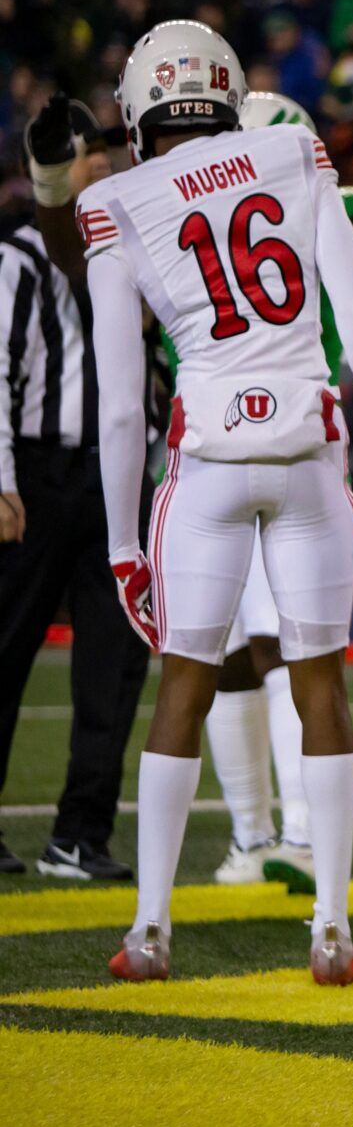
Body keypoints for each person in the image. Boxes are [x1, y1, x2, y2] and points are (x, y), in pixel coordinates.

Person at [29, 52, 353, 888]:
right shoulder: (281, 179)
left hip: (217, 448)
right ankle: (255, 836)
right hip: (289, 444)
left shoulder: (158, 198)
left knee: (253, 653)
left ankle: (295, 835)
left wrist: (56, 186)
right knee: (242, 653)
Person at [81, 19, 353, 984]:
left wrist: (121, 543)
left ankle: (150, 929)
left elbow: (121, 408)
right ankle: (332, 932)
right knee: (319, 682)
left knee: (186, 681)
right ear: (228, 96)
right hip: (311, 448)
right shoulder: (290, 150)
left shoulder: (113, 202)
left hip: (209, 458)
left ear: (139, 108)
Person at [0, 105, 148, 879]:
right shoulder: (20, 255)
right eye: (85, 154)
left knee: (114, 666)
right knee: (4, 651)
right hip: (39, 472)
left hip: (120, 473)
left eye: (105, 151)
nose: (100, 163)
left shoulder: (146, 246)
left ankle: (80, 835)